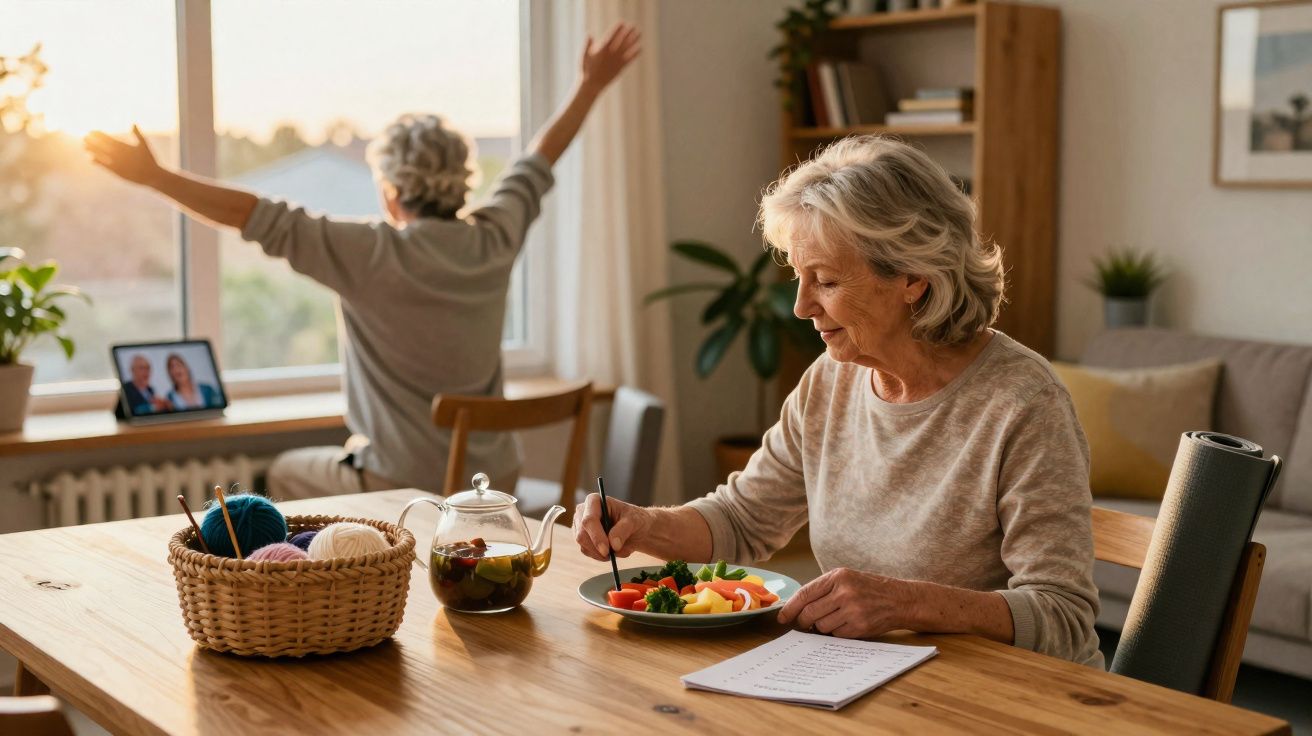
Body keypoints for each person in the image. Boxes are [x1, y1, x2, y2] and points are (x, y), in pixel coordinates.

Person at [572, 136, 1102, 666]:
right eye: (798, 277)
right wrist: (643, 525)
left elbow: (1062, 615)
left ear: (913, 277)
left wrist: (908, 603)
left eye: (825, 280)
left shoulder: (1023, 402)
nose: (802, 305)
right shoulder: (831, 380)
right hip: (872, 678)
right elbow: (741, 520)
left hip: (1008, 697)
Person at [85, 24, 642, 497]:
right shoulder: (496, 236)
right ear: (462, 183)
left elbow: (252, 214)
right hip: (493, 481)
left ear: (391, 192)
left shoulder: (369, 253)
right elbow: (539, 158)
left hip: (398, 484)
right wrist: (589, 85)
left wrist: (156, 177)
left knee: (280, 473)